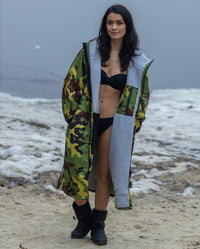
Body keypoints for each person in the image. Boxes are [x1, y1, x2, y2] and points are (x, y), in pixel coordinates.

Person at [57, 4, 153, 246]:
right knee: (75, 170)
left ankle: (98, 223)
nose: (114, 27)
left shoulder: (136, 61)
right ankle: (83, 216)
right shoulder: (90, 52)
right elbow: (71, 83)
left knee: (103, 173)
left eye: (119, 23)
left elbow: (143, 96)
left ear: (127, 26)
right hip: (85, 120)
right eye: (110, 22)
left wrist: (134, 124)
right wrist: (73, 115)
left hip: (114, 122)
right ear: (105, 26)